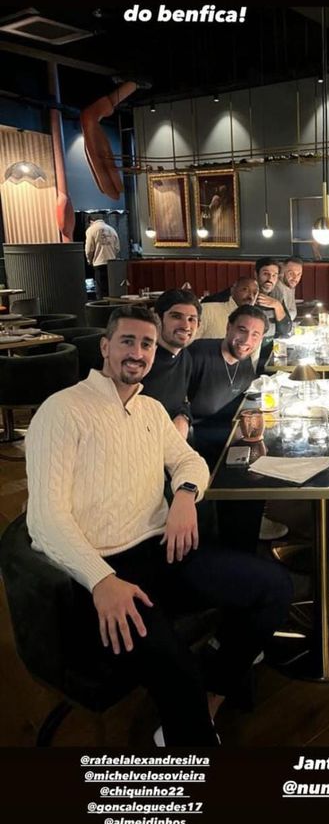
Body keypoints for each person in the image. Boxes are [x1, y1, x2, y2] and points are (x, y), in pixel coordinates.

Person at [25, 304, 292, 746]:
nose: (138, 352)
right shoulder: (63, 410)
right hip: (103, 571)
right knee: (177, 668)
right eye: (127, 341)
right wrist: (100, 580)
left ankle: (210, 696)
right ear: (105, 347)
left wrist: (185, 495)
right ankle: (190, 729)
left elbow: (189, 460)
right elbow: (44, 520)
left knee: (275, 587)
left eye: (146, 344)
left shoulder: (150, 409)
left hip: (162, 552)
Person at [188, 304, 277, 549]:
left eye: (255, 335)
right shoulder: (198, 354)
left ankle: (246, 542)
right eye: (242, 330)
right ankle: (231, 547)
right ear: (228, 327)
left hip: (229, 437)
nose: (247, 340)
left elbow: (242, 402)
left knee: (264, 465)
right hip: (198, 442)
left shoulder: (245, 361)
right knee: (253, 476)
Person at [140, 288, 201, 438]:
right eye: (176, 316)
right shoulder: (140, 360)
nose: (185, 326)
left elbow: (182, 401)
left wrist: (184, 417)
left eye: (191, 319)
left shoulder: (185, 356)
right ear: (157, 319)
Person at [254, 257, 293, 366]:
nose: (270, 279)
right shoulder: (248, 294)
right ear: (256, 275)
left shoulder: (277, 294)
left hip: (272, 351)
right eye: (266, 274)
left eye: (274, 275)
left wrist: (277, 305)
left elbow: (286, 329)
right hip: (253, 352)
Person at [84, 216, 120, 299]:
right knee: (112, 290)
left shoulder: (91, 230)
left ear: (91, 221)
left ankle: (103, 307)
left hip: (99, 263)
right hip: (112, 264)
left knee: (101, 292)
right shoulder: (111, 229)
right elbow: (117, 248)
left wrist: (89, 260)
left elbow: (89, 249)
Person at [273, 256, 304, 322]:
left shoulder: (290, 286)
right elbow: (279, 318)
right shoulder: (276, 289)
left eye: (299, 274)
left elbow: (291, 313)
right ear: (282, 273)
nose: (295, 278)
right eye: (291, 273)